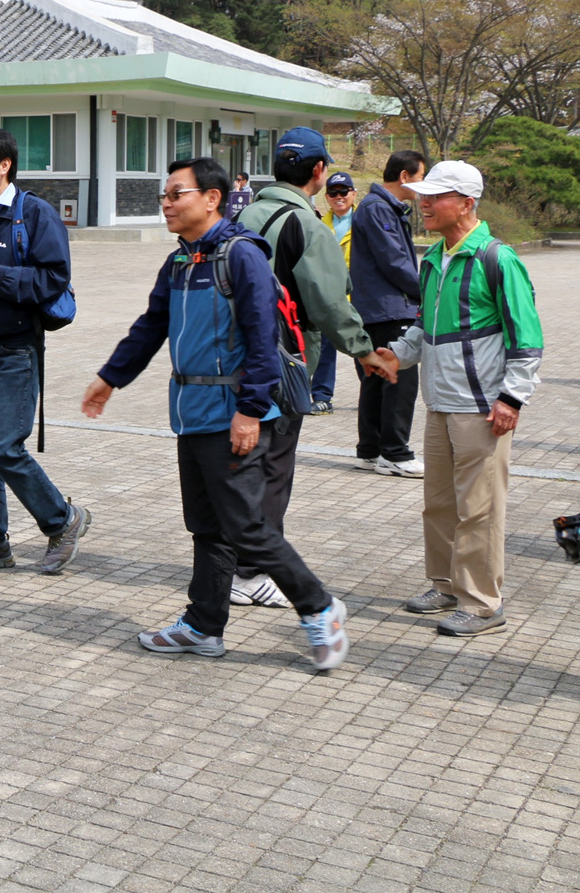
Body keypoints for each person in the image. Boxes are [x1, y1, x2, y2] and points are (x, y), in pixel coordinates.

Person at [83, 156, 350, 671]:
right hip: (193, 413)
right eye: (164, 195)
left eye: (176, 194)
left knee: (247, 526)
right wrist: (110, 377)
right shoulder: (181, 261)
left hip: (233, 415)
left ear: (212, 199)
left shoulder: (241, 255)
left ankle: (319, 608)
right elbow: (151, 326)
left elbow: (261, 339)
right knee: (208, 527)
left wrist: (250, 410)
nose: (166, 203)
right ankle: (203, 626)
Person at [232, 127, 393, 609]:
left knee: (241, 462)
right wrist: (365, 351)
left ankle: (232, 562)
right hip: (282, 362)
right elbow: (330, 305)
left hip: (230, 358)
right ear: (319, 171)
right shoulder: (308, 226)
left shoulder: (239, 217)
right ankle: (252, 571)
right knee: (274, 466)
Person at [382, 160, 543, 637]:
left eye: (436, 196)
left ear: (467, 203)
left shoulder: (498, 259)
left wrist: (511, 398)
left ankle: (483, 604)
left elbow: (527, 338)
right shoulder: (434, 258)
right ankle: (447, 586)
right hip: (439, 404)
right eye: (423, 196)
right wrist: (395, 355)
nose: (424, 204)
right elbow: (423, 328)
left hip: (482, 408)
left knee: (479, 509)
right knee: (438, 504)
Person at [0, 126, 91, 576]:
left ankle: (63, 520)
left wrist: (1, 277)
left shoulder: (34, 214)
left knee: (3, 447)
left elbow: (54, 278)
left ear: (4, 165)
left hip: (16, 351)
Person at [350, 150, 429, 477]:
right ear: (404, 176)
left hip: (378, 309)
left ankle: (370, 451)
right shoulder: (378, 208)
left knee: (376, 379)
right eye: (421, 177)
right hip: (389, 309)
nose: (423, 185)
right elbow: (394, 261)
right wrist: (427, 292)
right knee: (399, 380)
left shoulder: (380, 206)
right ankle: (395, 453)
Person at [308, 171, 358, 414]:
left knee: (363, 348)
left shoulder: (365, 221)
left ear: (353, 194)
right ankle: (322, 396)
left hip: (358, 297)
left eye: (344, 192)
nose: (339, 197)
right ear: (326, 197)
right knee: (324, 348)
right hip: (327, 297)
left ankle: (374, 396)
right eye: (333, 193)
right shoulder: (317, 224)